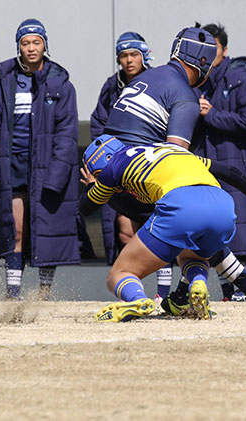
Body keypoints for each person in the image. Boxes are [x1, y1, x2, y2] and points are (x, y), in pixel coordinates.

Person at [100, 26, 246, 313]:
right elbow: (178, 157)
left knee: (189, 232)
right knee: (184, 227)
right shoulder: (185, 97)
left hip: (117, 170)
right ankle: (177, 291)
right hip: (157, 179)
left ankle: (187, 294)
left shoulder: (146, 77)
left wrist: (93, 189)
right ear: (203, 63)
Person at [80, 137, 246, 321]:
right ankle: (197, 283)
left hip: (182, 205)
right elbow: (228, 171)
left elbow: (86, 207)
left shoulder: (113, 166)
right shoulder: (170, 150)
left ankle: (137, 300)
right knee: (191, 255)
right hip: (223, 205)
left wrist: (92, 185)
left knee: (119, 273)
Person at [0, 18, 80, 299]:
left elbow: (67, 133)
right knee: (16, 229)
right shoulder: (4, 82)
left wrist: (58, 173)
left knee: (46, 231)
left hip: (48, 168)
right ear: (18, 47)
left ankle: (43, 294)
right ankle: (13, 294)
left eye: (36, 42)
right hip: (13, 165)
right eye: (25, 43)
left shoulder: (61, 83)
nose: (31, 48)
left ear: (45, 45)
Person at [88, 32, 176, 296]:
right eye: (124, 55)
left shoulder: (159, 81)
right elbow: (98, 125)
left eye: (134, 54)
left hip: (152, 166)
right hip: (121, 168)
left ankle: (163, 293)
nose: (129, 60)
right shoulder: (110, 87)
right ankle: (137, 291)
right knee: (128, 231)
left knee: (157, 227)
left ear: (144, 55)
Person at [193, 23, 246, 301]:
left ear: (224, 50)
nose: (207, 55)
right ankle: (230, 293)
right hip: (212, 173)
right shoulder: (197, 83)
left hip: (240, 170)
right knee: (219, 236)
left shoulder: (243, 79)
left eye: (213, 49)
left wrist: (211, 114)